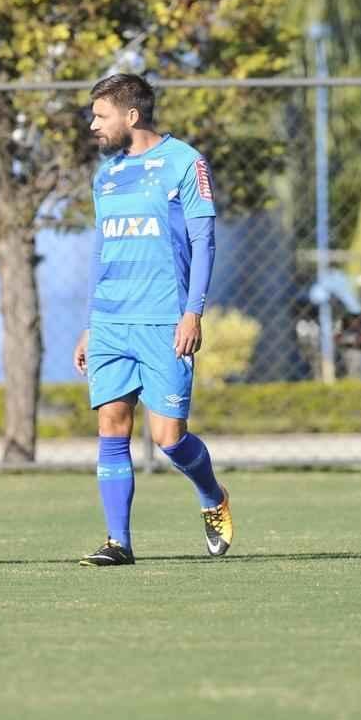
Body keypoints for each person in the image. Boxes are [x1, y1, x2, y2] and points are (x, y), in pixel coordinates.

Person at [73, 73, 234, 566]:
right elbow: (104, 251)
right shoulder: (107, 175)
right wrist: (92, 322)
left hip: (165, 321)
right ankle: (118, 542)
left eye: (100, 116)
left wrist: (192, 312)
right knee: (112, 426)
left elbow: (204, 242)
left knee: (169, 439)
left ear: (131, 116)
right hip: (112, 323)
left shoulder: (185, 163)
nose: (93, 126)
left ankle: (212, 495)